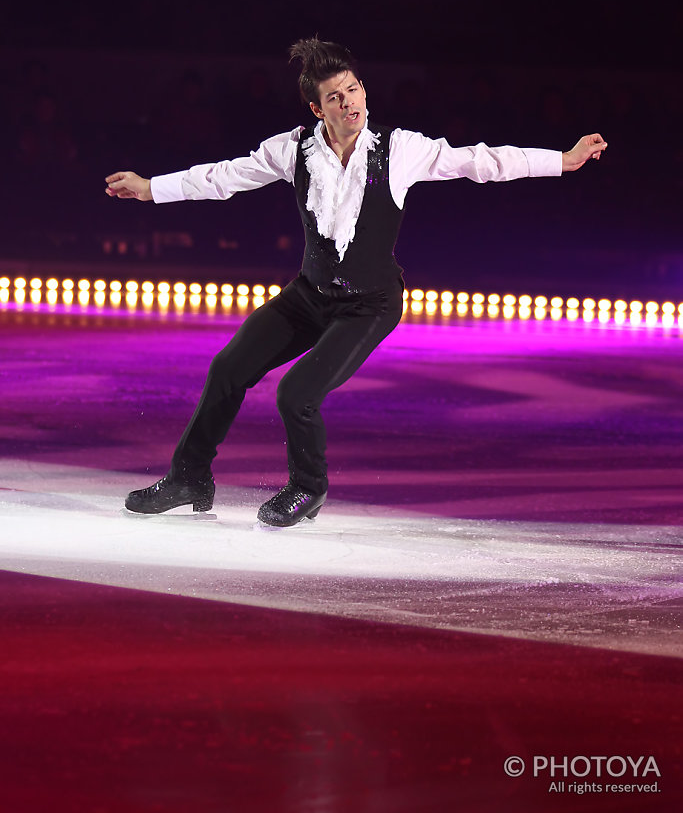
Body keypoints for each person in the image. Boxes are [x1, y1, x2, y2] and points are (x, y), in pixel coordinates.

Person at [105, 38, 607, 528]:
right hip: (309, 295)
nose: (349, 103)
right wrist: (152, 189)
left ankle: (308, 487)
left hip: (369, 304)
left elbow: (482, 161)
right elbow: (224, 177)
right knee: (228, 367)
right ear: (316, 108)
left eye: (354, 89)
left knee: (296, 394)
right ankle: (189, 477)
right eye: (335, 97)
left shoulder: (400, 149)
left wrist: (561, 160)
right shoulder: (293, 150)